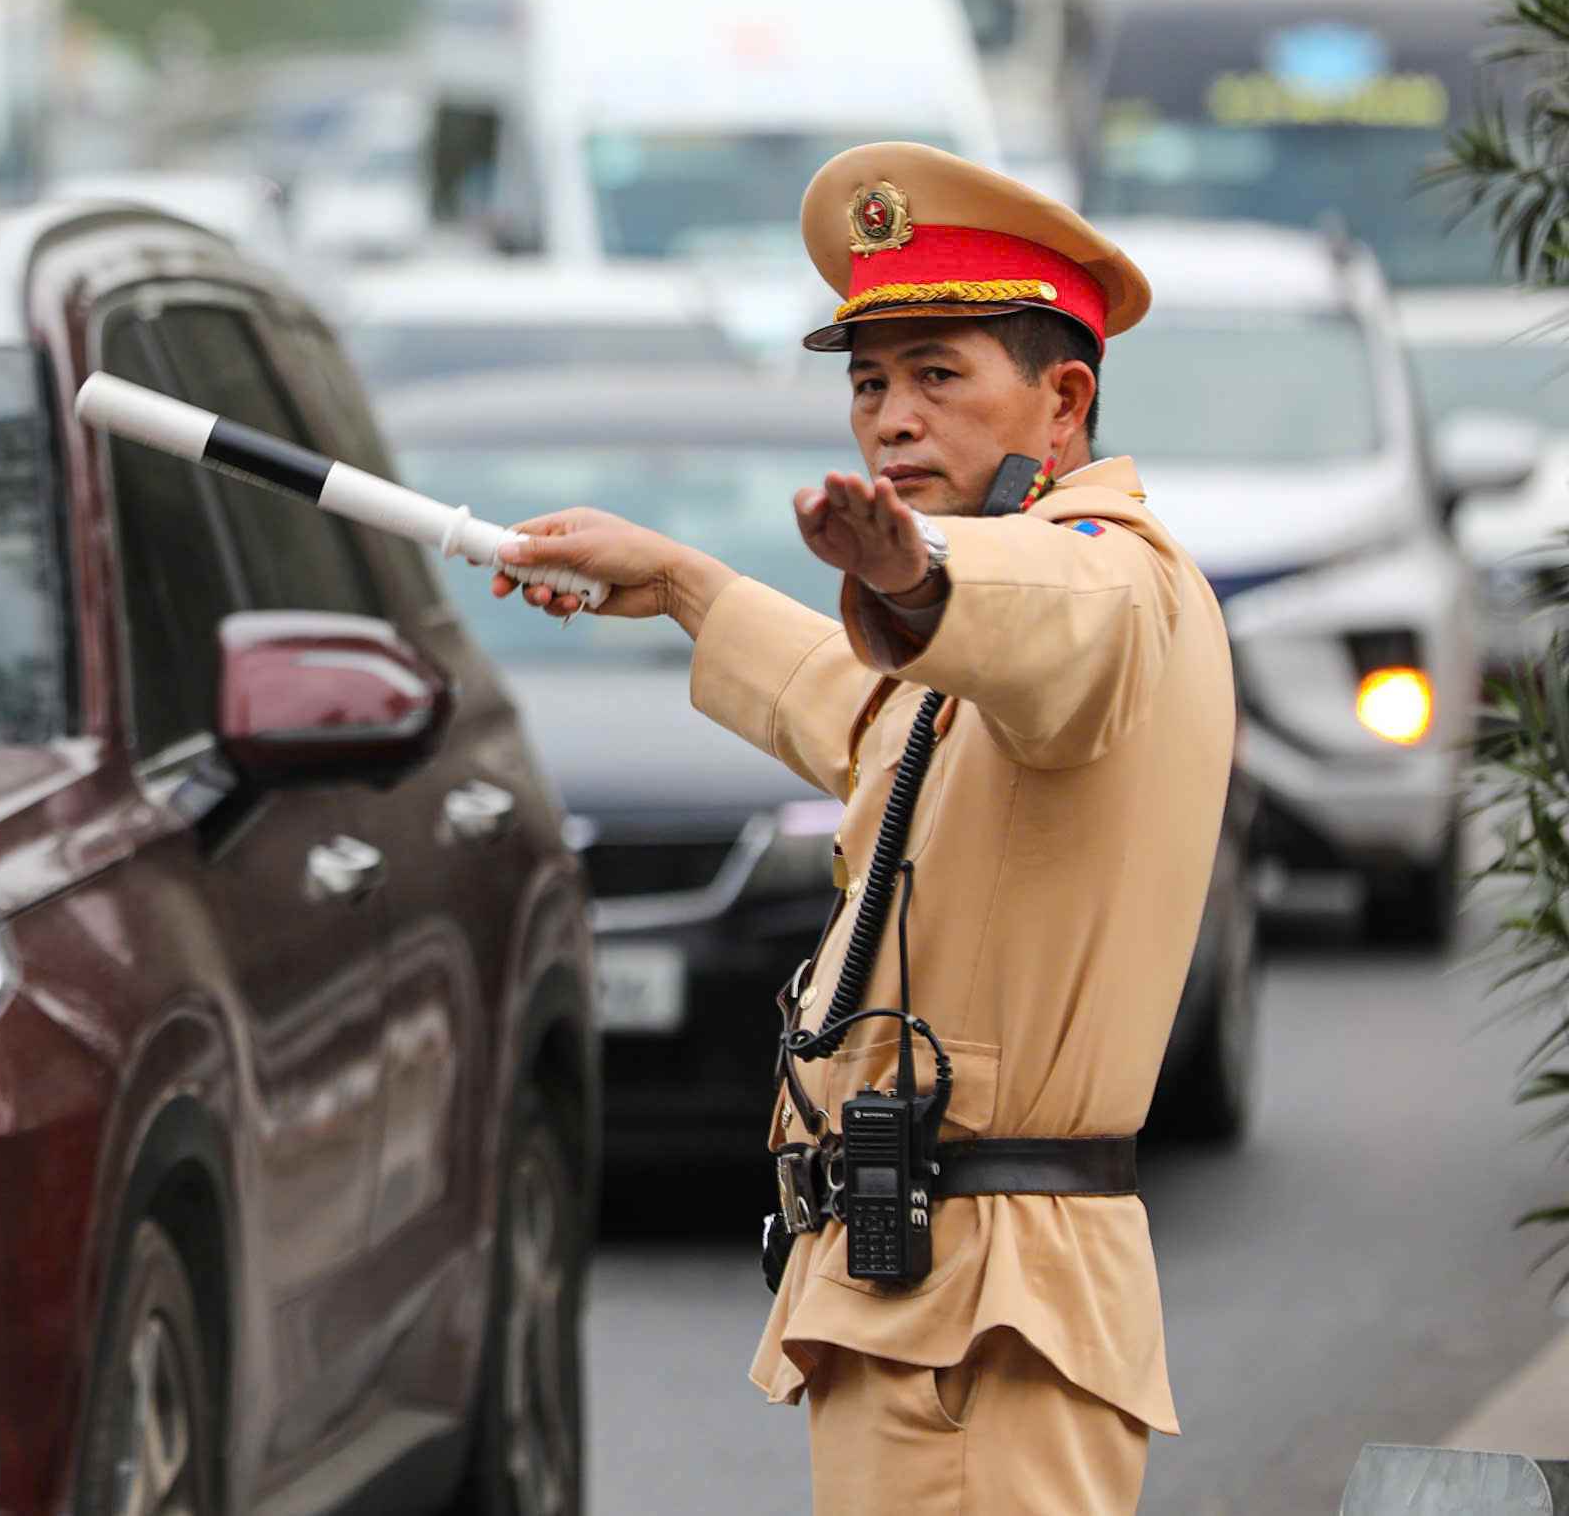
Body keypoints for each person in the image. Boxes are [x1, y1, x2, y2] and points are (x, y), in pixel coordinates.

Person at [495, 142, 1233, 1514]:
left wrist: (913, 569)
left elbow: (1036, 611)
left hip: (986, 1316)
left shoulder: (1109, 582)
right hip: (934, 1293)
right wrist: (678, 581)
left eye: (939, 374)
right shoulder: (976, 651)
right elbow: (866, 716)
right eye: (869, 381)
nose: (892, 417)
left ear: (1062, 401)